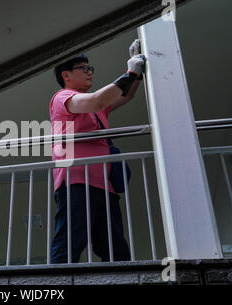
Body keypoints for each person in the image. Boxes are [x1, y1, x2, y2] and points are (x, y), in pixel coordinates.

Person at [49, 39, 145, 263]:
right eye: (83, 69)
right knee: (70, 242)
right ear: (66, 75)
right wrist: (131, 71)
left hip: (105, 183)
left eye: (90, 68)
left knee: (114, 246)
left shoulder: (96, 108)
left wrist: (137, 71)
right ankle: (55, 285)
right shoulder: (62, 97)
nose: (89, 73)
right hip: (76, 180)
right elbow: (96, 101)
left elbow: (126, 95)